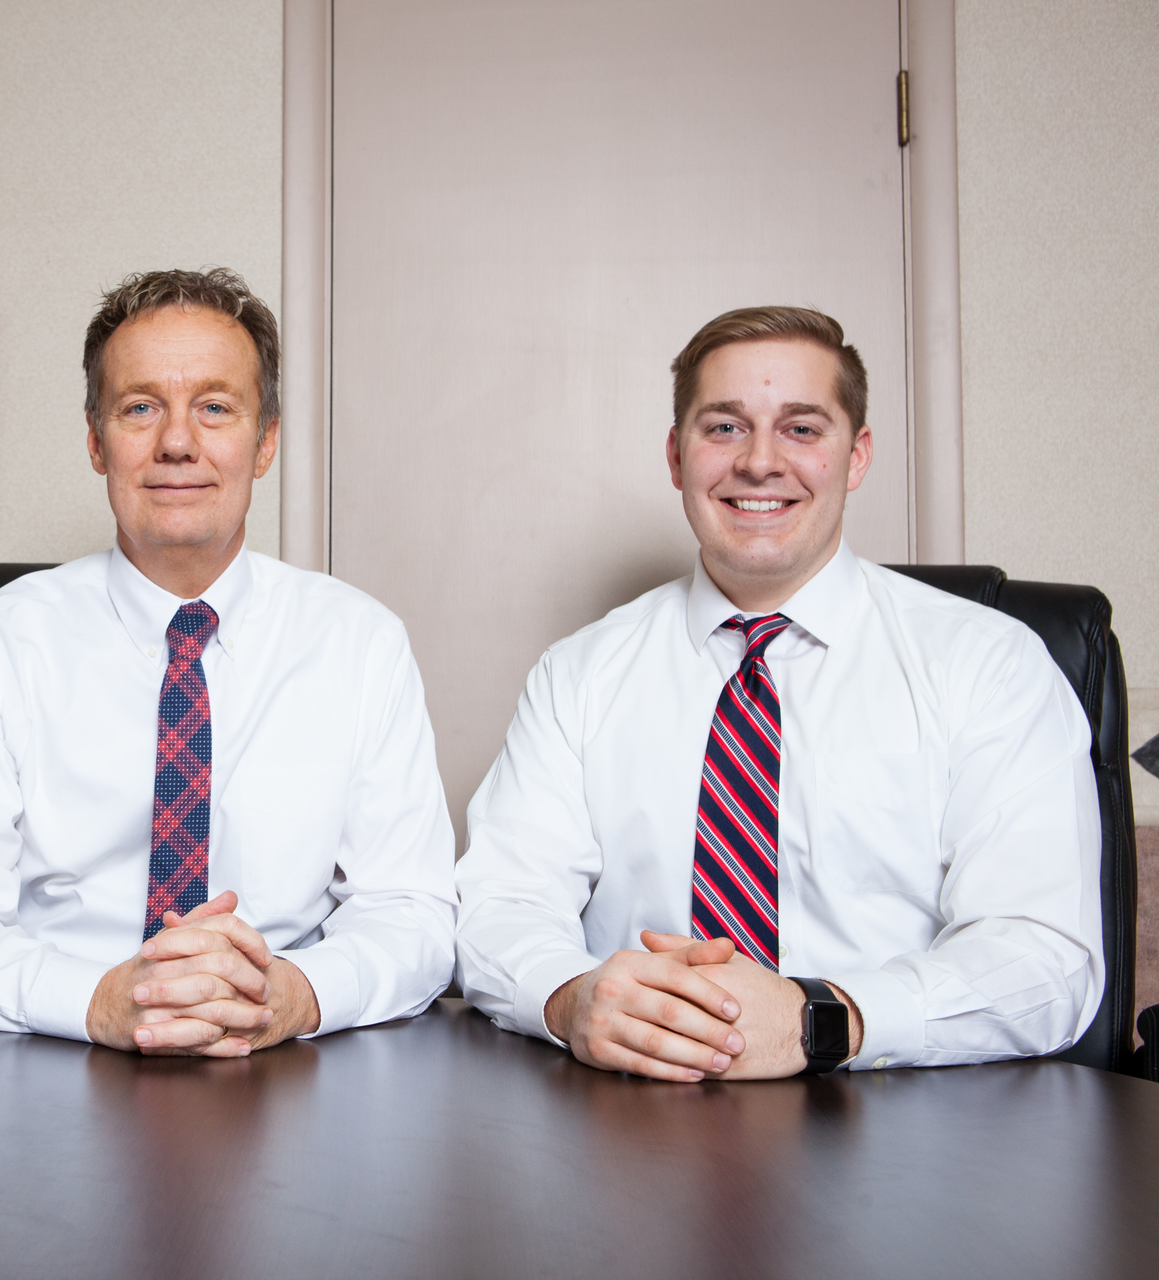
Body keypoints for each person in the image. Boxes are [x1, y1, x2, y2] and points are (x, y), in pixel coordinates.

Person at [455, 305, 1103, 1081]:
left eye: (802, 429)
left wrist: (821, 1019)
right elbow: (497, 908)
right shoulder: (579, 674)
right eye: (723, 427)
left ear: (856, 456)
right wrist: (569, 995)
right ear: (676, 455)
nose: (760, 462)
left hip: (907, 1126)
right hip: (633, 1124)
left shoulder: (990, 666)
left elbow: (1045, 962)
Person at [0, 268, 456, 1056]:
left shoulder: (360, 645)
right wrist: (94, 1001)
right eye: (140, 408)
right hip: (51, 1057)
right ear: (97, 441)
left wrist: (293, 995)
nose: (177, 443)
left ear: (264, 443)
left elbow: (415, 912)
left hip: (287, 1068)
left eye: (216, 408)